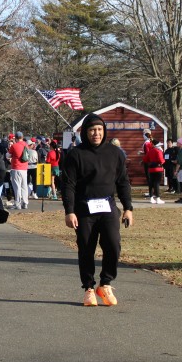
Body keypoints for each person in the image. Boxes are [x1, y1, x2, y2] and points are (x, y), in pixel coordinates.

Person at [61, 114, 133, 307]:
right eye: (92, 130)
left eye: (100, 129)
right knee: (86, 247)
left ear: (104, 131)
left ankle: (106, 283)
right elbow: (68, 185)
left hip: (108, 206)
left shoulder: (115, 153)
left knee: (113, 244)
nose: (96, 133)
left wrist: (128, 208)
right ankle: (89, 288)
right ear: (85, 132)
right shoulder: (75, 154)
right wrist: (69, 211)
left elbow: (123, 182)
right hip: (84, 209)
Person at [7, 132, 31, 210]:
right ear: (22, 137)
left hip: (16, 168)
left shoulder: (14, 146)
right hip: (24, 168)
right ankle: (25, 203)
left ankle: (17, 204)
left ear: (16, 138)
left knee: (17, 187)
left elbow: (8, 155)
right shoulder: (26, 145)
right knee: (24, 186)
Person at [144, 138, 165, 204]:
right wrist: (163, 161)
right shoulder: (158, 151)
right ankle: (158, 198)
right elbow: (161, 160)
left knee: (151, 183)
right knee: (157, 183)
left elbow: (145, 159)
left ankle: (151, 198)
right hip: (158, 169)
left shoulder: (150, 151)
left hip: (151, 169)